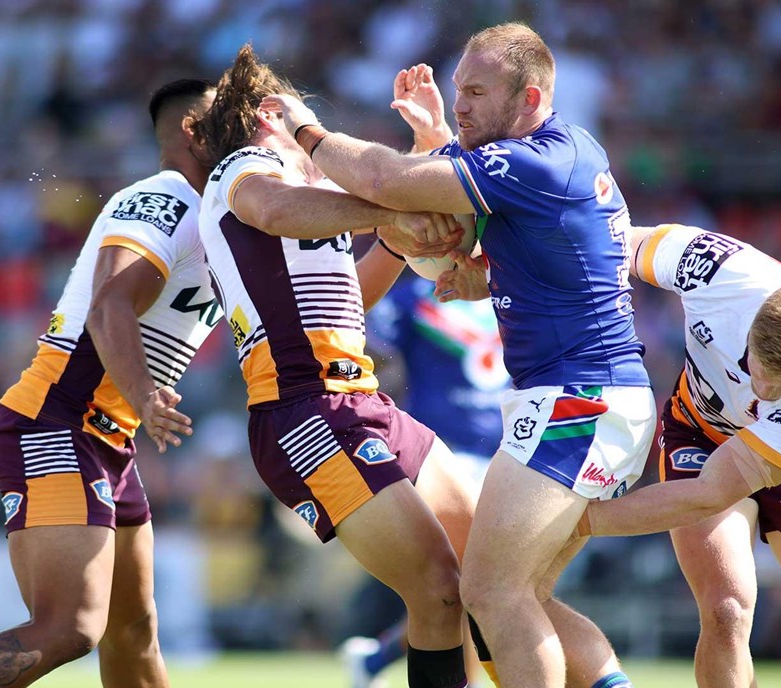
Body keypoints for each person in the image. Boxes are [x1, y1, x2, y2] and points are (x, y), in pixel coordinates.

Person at [266, 22, 654, 688]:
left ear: (529, 98)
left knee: (491, 594)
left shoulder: (533, 161)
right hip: (588, 396)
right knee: (518, 593)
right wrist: (484, 256)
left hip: (579, 400)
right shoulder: (562, 151)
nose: (464, 104)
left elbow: (386, 179)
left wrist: (302, 125)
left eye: (477, 92)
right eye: (457, 91)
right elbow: (509, 242)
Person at [191, 45, 476, 688]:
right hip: (305, 409)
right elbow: (277, 210)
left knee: (485, 570)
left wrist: (427, 157)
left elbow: (354, 294)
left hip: (362, 401)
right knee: (438, 587)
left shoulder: (310, 196)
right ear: (270, 113)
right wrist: (393, 212)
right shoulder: (244, 168)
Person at [0, 79, 221, 688]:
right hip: (57, 419)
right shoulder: (166, 196)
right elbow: (107, 308)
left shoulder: (224, 218)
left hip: (105, 438)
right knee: (69, 628)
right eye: (235, 117)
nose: (251, 131)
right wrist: (148, 396)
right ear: (196, 130)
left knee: (134, 631)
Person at [574, 224, 781, 688]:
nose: (760, 391)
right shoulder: (717, 270)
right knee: (726, 609)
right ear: (752, 325)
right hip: (699, 431)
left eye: (778, 387)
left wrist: (583, 521)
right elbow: (605, 241)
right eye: (754, 369)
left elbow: (711, 493)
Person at [340, 62, 509, 688]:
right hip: (447, 439)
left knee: (492, 584)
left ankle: (379, 658)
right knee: (480, 581)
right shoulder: (416, 291)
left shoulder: (504, 274)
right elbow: (369, 339)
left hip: (510, 440)